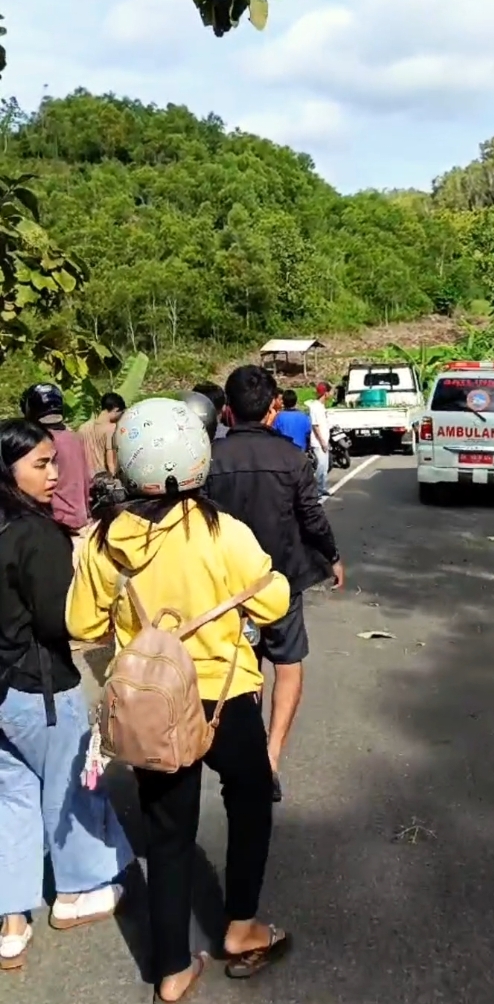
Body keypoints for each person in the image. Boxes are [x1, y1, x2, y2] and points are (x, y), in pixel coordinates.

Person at [67, 397, 293, 1002]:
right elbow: (272, 603)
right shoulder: (223, 532)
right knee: (249, 804)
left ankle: (171, 969)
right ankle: (241, 927)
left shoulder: (103, 543)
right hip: (227, 697)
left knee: (167, 835)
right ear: (196, 456)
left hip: (153, 707)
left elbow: (84, 626)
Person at [0, 419, 133, 972]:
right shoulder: (36, 535)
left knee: (11, 802)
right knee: (75, 787)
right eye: (40, 465)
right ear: (9, 471)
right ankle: (79, 891)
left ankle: (10, 922)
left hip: (4, 692)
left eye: (55, 461)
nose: (55, 475)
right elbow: (60, 622)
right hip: (42, 688)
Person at [207, 366, 344, 803]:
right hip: (279, 583)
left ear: (227, 410)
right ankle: (269, 757)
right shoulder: (291, 459)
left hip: (224, 591)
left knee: (244, 667)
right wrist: (333, 557)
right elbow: (313, 518)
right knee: (286, 663)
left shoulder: (208, 458)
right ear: (275, 408)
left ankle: (244, 750)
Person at [20, 383, 90, 540]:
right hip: (81, 522)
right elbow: (87, 480)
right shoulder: (73, 438)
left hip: (57, 526)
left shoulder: (40, 443)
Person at [79, 392, 126, 477]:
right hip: (101, 477)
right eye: (121, 413)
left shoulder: (83, 428)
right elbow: (110, 461)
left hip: (85, 477)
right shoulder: (111, 429)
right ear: (116, 410)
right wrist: (113, 476)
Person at [307, 382, 333, 499]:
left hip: (324, 440)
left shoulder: (322, 406)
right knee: (320, 466)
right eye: (330, 391)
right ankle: (315, 490)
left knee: (325, 467)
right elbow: (315, 425)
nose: (332, 394)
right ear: (326, 393)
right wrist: (322, 441)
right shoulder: (315, 407)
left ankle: (322, 488)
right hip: (318, 442)